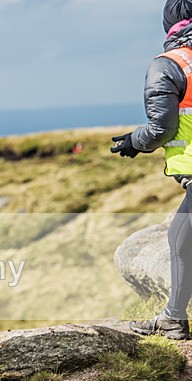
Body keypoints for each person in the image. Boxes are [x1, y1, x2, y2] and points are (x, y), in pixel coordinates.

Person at [114, 0, 192, 340]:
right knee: (181, 238)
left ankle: (173, 321)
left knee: (179, 239)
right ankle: (173, 318)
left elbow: (161, 127)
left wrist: (135, 141)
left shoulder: (170, 65)